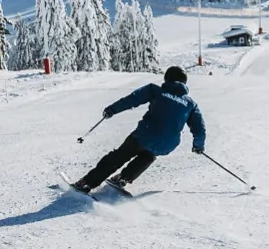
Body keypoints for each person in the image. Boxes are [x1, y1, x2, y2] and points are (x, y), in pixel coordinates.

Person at [73, 66, 205, 193]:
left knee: (119, 156)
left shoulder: (155, 90)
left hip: (146, 134)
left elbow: (132, 99)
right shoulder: (190, 104)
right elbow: (199, 128)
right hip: (168, 144)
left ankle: (87, 182)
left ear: (167, 79)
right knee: (148, 155)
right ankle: (124, 178)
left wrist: (112, 110)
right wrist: (198, 146)